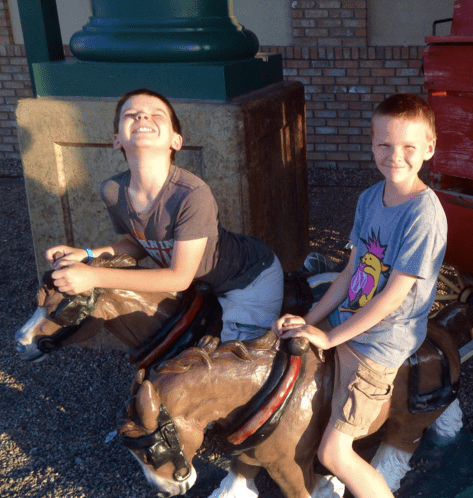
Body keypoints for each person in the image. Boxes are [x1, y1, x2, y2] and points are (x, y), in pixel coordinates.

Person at [273, 93, 447, 498]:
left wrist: (331, 337)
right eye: (384, 144)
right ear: (371, 143)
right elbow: (351, 270)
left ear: (429, 148)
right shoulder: (369, 198)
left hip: (383, 338)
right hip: (350, 315)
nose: (395, 156)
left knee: (334, 453)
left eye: (408, 147)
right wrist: (310, 321)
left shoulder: (424, 214)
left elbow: (393, 296)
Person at [46, 88, 283, 342]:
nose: (142, 117)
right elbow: (138, 242)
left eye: (156, 114)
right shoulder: (113, 191)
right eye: (131, 114)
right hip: (200, 285)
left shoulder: (191, 194)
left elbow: (178, 278)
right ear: (116, 140)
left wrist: (93, 276)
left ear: (176, 141)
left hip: (248, 279)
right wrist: (86, 254)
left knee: (233, 360)